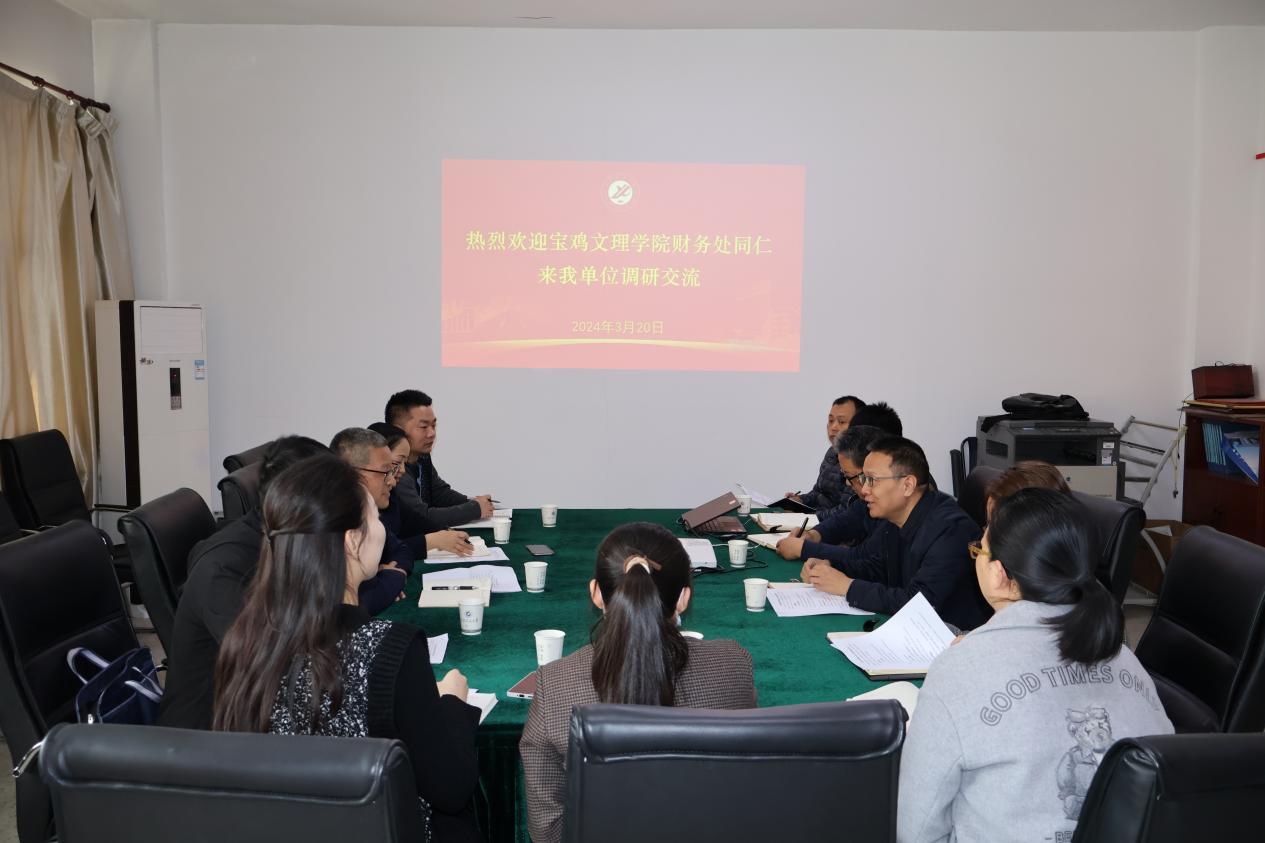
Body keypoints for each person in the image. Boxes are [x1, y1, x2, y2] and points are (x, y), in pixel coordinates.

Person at [213, 455, 483, 842]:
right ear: (353, 539)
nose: (383, 529)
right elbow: (451, 787)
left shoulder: (243, 641)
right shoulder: (390, 648)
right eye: (375, 519)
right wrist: (454, 704)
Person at [897, 488, 1173, 843]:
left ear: (999, 574)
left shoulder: (959, 668)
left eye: (979, 550)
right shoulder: (1125, 658)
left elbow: (915, 829)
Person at [519, 522, 756, 843]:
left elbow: (547, 828)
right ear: (683, 598)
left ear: (596, 594)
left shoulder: (555, 683)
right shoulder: (733, 663)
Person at [159, 435, 327, 730]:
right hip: (211, 734)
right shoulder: (223, 568)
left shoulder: (288, 543)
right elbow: (272, 666)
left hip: (260, 716)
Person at [802, 436, 991, 631]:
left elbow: (920, 603)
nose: (864, 489)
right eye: (864, 479)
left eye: (872, 480)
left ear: (907, 485)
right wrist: (831, 567)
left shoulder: (951, 530)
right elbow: (878, 569)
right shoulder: (898, 516)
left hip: (954, 636)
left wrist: (848, 587)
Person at [777, 423, 899, 562]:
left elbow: (865, 559)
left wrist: (803, 549)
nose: (847, 483)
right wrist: (813, 535)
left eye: (849, 476)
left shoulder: (894, 513)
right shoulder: (867, 502)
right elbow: (844, 521)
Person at [329, 427, 414, 611]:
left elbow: (402, 550)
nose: (392, 481)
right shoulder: (328, 524)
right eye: (386, 472)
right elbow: (351, 602)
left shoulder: (370, 510)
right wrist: (392, 579)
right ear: (354, 474)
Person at [386, 389, 493, 532]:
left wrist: (474, 502)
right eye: (424, 427)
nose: (432, 433)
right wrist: (474, 509)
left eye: (434, 425)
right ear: (399, 430)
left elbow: (440, 494)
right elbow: (421, 517)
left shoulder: (422, 456)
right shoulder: (395, 470)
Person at [368, 421, 474, 560]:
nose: (402, 470)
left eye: (405, 463)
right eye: (396, 463)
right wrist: (432, 541)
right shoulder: (356, 506)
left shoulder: (391, 492)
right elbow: (382, 551)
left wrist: (444, 532)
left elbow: (414, 519)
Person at [787, 395, 865, 519]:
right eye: (831, 420)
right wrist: (799, 500)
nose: (833, 427)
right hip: (816, 520)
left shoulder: (859, 460)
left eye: (841, 422)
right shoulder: (831, 452)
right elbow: (818, 493)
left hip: (831, 526)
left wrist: (806, 518)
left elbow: (845, 511)